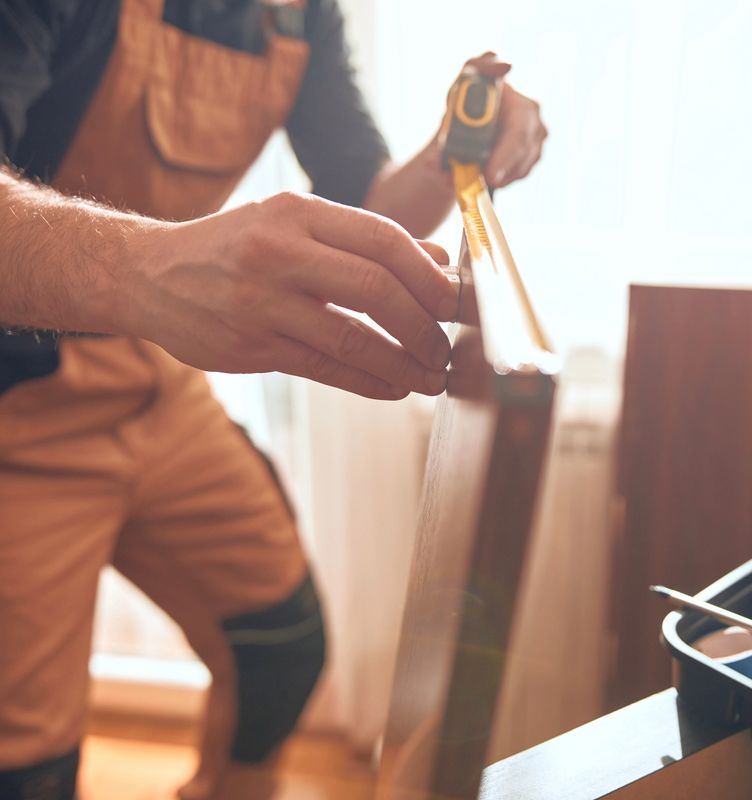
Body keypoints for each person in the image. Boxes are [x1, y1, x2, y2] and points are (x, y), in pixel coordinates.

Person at [0, 1, 548, 798]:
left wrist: (454, 150)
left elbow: (366, 204)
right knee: (29, 767)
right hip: (18, 416)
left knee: (281, 650)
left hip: (155, 384)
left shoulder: (298, 15)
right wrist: (149, 270)